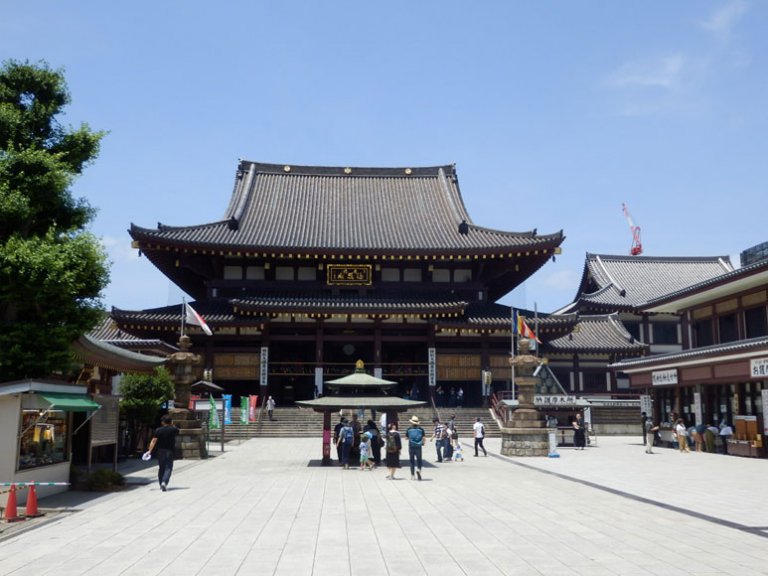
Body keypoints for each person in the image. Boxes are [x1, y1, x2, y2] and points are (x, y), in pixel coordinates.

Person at [146, 414, 179, 491]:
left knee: (161, 468)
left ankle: (161, 483)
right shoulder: (173, 429)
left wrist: (149, 451)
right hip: (170, 451)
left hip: (160, 451)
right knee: (168, 468)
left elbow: (153, 441)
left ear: (162, 422)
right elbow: (177, 430)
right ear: (170, 421)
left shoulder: (158, 430)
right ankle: (164, 482)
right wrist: (172, 424)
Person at [405, 415, 426, 480]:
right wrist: (422, 443)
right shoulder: (421, 429)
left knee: (412, 461)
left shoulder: (409, 429)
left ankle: (412, 475)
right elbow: (424, 438)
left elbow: (406, 437)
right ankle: (419, 469)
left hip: (411, 446)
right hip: (418, 446)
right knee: (419, 460)